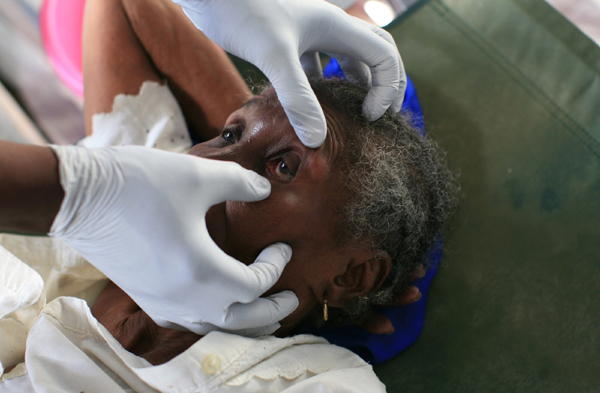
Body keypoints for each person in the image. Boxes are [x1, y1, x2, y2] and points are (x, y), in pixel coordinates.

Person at [0, 0, 454, 390]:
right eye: (226, 133)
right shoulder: (148, 190)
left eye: (283, 167)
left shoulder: (319, 382)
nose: (204, 163)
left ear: (356, 275)